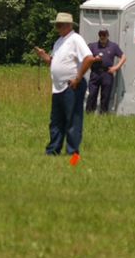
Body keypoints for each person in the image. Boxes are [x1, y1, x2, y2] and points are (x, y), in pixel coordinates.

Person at [33, 12, 94, 157]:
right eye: (56, 25)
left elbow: (89, 58)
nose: (56, 28)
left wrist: (78, 78)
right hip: (58, 87)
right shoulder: (59, 42)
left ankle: (73, 154)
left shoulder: (76, 39)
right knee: (56, 121)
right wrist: (44, 57)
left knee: (73, 120)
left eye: (59, 25)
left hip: (72, 86)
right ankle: (53, 150)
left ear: (68, 25)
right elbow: (53, 62)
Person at [86, 29, 126, 114]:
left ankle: (103, 114)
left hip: (107, 73)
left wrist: (115, 67)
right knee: (92, 94)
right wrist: (94, 59)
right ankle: (89, 114)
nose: (102, 37)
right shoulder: (93, 46)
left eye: (104, 35)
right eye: (100, 35)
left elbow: (123, 57)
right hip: (95, 73)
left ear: (108, 35)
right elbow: (86, 58)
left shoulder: (113, 46)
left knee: (105, 95)